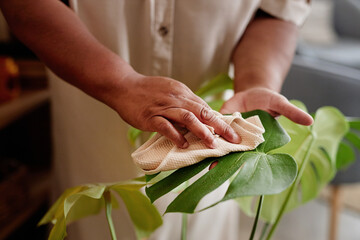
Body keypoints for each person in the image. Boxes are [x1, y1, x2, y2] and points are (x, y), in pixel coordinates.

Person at [0, 0, 313, 239]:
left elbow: (277, 9)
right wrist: (120, 82)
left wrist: (257, 79)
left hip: (219, 119)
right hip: (91, 111)